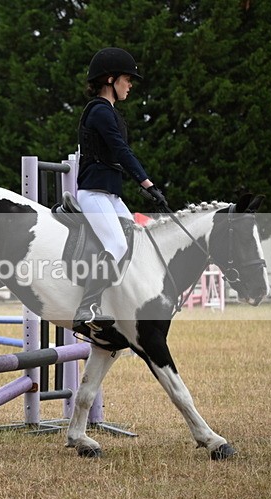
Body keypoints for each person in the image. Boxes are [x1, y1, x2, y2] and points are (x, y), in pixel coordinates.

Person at [73, 47, 168, 332]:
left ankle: (122, 302)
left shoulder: (111, 112)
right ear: (110, 79)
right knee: (116, 244)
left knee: (136, 241)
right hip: (94, 193)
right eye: (127, 79)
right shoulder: (100, 111)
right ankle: (86, 307)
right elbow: (121, 151)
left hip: (110, 195)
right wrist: (147, 182)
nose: (130, 85)